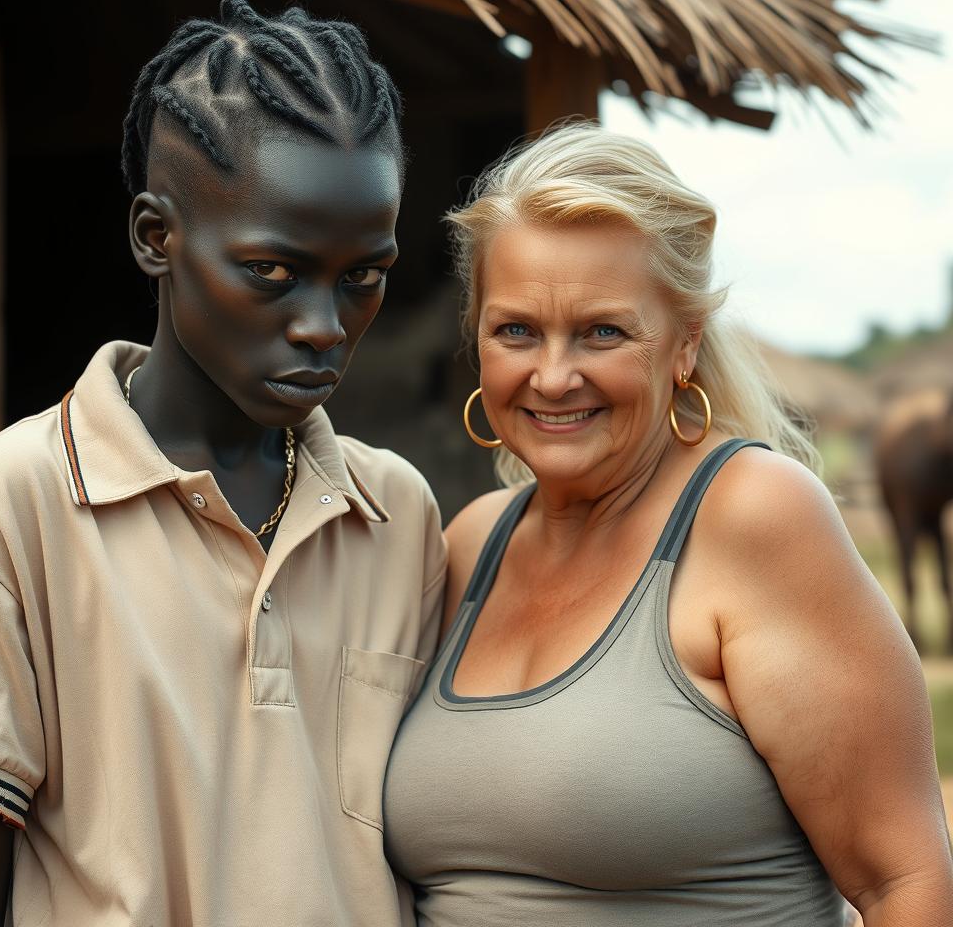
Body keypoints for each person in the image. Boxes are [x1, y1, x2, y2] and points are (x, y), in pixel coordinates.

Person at [0, 0, 446, 927]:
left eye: (364, 275)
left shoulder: (397, 515)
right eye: (272, 272)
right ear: (155, 238)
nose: (324, 327)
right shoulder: (7, 509)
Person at [383, 123, 953, 926]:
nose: (551, 375)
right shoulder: (471, 545)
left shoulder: (755, 516)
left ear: (683, 344)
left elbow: (908, 884)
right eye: (515, 331)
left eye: (602, 332)